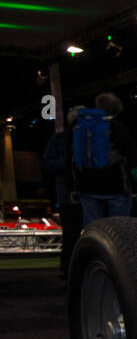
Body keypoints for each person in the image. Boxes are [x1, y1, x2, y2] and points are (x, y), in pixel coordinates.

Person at [72, 92, 136, 224]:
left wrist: (74, 187)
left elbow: (71, 157)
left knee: (94, 231)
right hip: (116, 186)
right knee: (119, 230)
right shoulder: (116, 126)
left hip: (87, 186)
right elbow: (132, 156)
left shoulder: (79, 126)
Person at [42, 105, 84, 279]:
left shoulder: (92, 137)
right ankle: (68, 271)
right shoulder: (60, 139)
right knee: (71, 235)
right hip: (69, 194)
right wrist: (68, 164)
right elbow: (48, 163)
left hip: (89, 194)